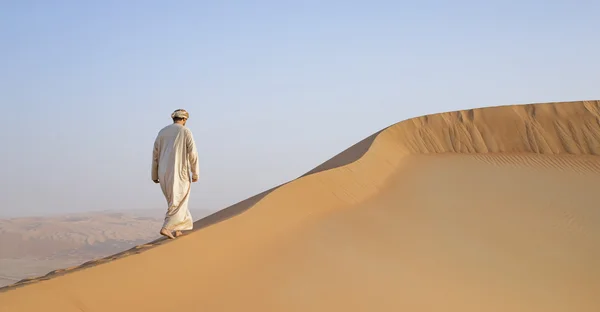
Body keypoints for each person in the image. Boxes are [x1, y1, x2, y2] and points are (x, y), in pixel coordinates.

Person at [151, 109, 200, 239]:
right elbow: (193, 153)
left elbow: (155, 155)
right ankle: (166, 227)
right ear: (184, 120)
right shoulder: (185, 131)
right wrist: (195, 172)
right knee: (179, 199)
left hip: (163, 172)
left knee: (174, 200)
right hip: (179, 171)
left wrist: (154, 174)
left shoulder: (162, 132)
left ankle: (178, 228)